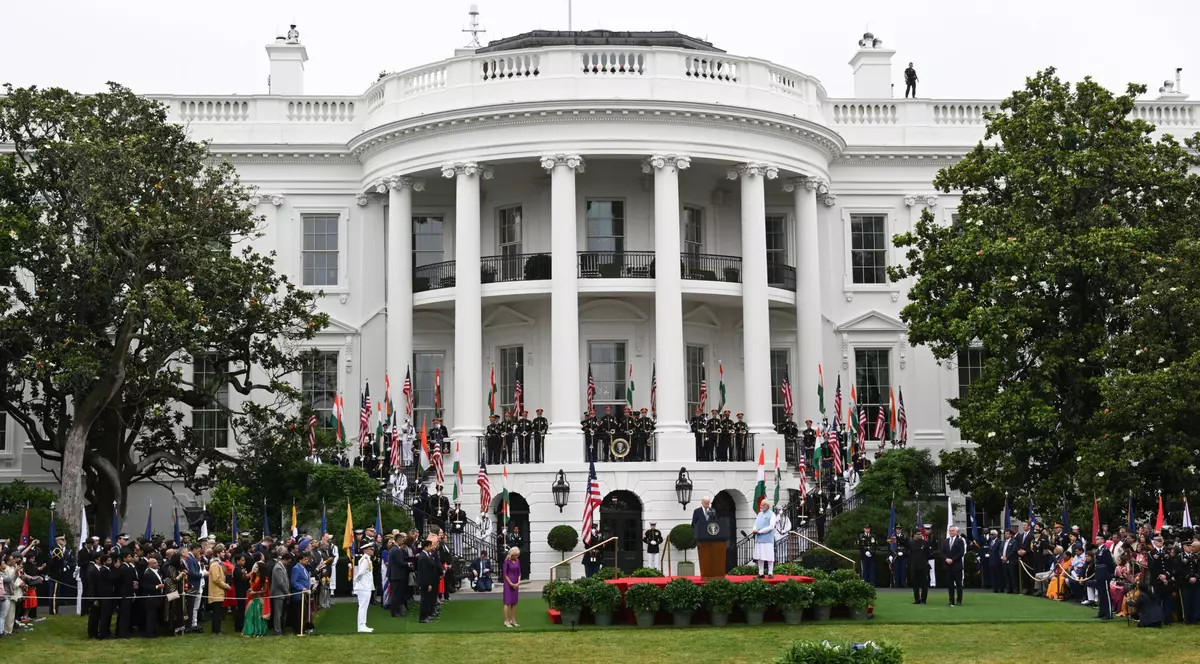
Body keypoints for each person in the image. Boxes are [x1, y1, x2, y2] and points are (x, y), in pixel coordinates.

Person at [691, 496, 722, 579]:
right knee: (703, 556)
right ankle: (703, 572)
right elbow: (693, 524)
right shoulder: (697, 511)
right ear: (702, 502)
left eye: (708, 503)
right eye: (705, 503)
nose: (707, 505)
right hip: (701, 538)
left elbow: (716, 523)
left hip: (711, 538)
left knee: (712, 556)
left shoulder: (712, 511)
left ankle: (712, 572)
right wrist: (698, 531)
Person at [751, 500, 777, 578]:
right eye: (760, 505)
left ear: (767, 506)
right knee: (760, 556)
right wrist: (754, 529)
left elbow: (771, 526)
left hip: (768, 539)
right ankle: (761, 573)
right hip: (759, 539)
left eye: (762, 505)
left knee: (769, 556)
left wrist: (760, 531)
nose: (760, 507)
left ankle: (770, 573)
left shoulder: (772, 514)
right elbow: (755, 524)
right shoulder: (759, 514)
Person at [941, 525, 966, 606]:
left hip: (957, 565)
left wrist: (953, 559)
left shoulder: (960, 541)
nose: (951, 532)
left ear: (956, 532)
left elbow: (961, 553)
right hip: (948, 566)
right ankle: (951, 600)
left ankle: (959, 600)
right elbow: (942, 552)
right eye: (950, 530)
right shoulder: (945, 541)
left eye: (953, 531)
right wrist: (946, 559)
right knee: (950, 585)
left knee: (958, 584)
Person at [242, 561, 269, 637]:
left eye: (257, 567)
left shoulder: (264, 579)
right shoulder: (252, 574)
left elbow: (265, 590)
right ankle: (249, 631)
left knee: (258, 615)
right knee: (249, 615)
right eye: (255, 566)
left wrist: (255, 592)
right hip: (251, 598)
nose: (255, 568)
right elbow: (245, 578)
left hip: (258, 599)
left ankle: (259, 631)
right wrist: (244, 573)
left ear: (260, 569)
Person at [353, 541, 375, 633]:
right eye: (371, 549)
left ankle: (363, 624)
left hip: (366, 586)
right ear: (366, 550)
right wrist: (357, 582)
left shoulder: (367, 558)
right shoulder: (365, 559)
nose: (372, 550)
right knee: (362, 606)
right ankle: (361, 626)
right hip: (363, 586)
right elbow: (360, 572)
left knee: (364, 606)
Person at [207, 544, 229, 634]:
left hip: (219, 591)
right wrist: (226, 586)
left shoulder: (218, 563)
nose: (224, 554)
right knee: (217, 612)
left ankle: (217, 629)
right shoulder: (215, 564)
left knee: (218, 611)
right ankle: (216, 630)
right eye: (223, 552)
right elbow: (217, 579)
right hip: (216, 591)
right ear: (218, 553)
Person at [289, 551, 313, 635]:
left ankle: (304, 628)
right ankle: (298, 629)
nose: (307, 561)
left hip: (304, 594)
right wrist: (301, 588)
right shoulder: (296, 568)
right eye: (305, 559)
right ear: (300, 560)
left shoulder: (304, 569)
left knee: (304, 613)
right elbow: (293, 582)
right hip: (298, 595)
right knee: (299, 613)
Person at [141, 555, 165, 638]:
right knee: (151, 616)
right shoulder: (147, 573)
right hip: (151, 598)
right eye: (155, 563)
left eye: (157, 562)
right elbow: (145, 587)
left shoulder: (157, 571)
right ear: (150, 564)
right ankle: (150, 633)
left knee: (155, 615)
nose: (157, 564)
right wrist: (157, 587)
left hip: (157, 597)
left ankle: (154, 631)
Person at [417, 538, 439, 623]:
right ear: (426, 547)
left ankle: (426, 615)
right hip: (425, 582)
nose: (431, 547)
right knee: (424, 600)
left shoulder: (426, 555)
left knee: (427, 599)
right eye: (430, 546)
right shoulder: (423, 557)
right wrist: (428, 584)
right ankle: (422, 617)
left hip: (428, 580)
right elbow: (424, 572)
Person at [907, 528, 931, 604]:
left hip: (923, 565)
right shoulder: (911, 543)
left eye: (920, 534)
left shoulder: (925, 543)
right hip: (914, 565)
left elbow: (928, 554)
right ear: (914, 535)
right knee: (915, 583)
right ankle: (917, 599)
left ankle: (923, 600)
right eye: (918, 534)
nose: (919, 535)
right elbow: (909, 554)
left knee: (924, 584)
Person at [388, 535, 409, 617]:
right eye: (402, 540)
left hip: (394, 575)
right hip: (397, 575)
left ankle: (395, 611)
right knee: (396, 594)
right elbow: (400, 563)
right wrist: (408, 563)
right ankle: (394, 611)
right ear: (399, 540)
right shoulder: (396, 550)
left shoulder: (393, 549)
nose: (403, 542)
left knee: (395, 594)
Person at [502, 547, 521, 627]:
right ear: (511, 554)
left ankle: (513, 620)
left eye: (517, 555)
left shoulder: (518, 561)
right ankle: (506, 621)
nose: (516, 557)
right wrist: (511, 583)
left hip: (516, 583)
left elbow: (519, 572)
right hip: (508, 583)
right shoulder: (507, 561)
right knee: (507, 602)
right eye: (515, 555)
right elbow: (505, 574)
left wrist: (518, 582)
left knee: (514, 602)